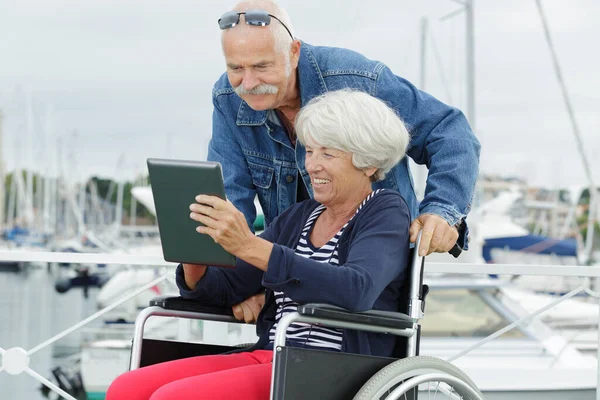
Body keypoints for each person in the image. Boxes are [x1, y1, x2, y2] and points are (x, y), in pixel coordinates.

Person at [106, 89, 411, 400]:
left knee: (174, 397)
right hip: (274, 356)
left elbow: (356, 288)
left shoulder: (385, 212)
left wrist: (249, 245)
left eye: (328, 154)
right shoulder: (300, 217)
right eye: (309, 151)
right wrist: (194, 256)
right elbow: (228, 288)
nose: (313, 166)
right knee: (126, 389)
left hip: (331, 370)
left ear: (369, 164)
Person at [210, 0, 481, 263]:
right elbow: (228, 201)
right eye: (235, 68)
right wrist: (238, 288)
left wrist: (441, 211)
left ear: (294, 52)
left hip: (375, 271)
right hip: (284, 278)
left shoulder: (360, 80)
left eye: (261, 66)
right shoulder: (227, 98)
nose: (248, 82)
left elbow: (448, 131)